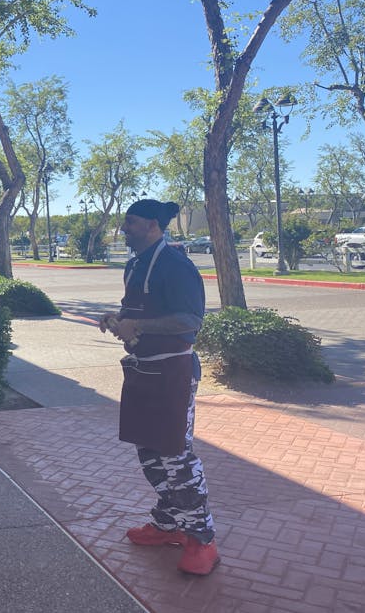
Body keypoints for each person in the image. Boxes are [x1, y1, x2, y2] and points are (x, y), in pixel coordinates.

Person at [98, 200, 219, 576]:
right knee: (150, 454)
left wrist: (142, 327)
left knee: (176, 457)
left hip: (173, 372)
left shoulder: (176, 265)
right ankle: (168, 524)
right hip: (141, 371)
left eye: (130, 223)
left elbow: (190, 320)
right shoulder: (136, 264)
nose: (123, 228)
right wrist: (118, 319)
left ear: (153, 225)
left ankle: (202, 540)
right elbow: (138, 311)